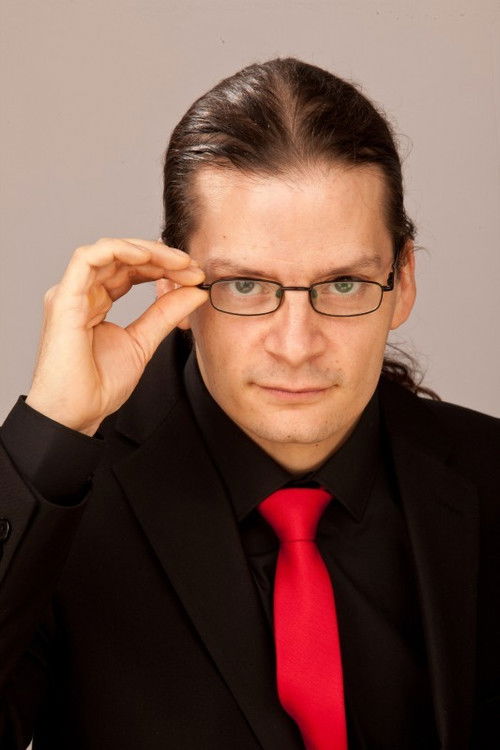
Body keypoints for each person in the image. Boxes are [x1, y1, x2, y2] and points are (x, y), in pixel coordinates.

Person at [0, 57, 498, 750]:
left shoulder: (487, 475)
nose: (296, 345)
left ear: (403, 280)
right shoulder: (60, 504)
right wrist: (49, 432)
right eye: (244, 285)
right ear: (172, 282)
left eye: (344, 285)